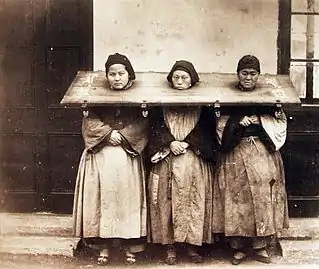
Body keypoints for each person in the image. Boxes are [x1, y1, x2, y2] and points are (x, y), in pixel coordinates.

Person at [72, 53, 148, 266]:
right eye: (112, 74)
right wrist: (108, 134)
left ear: (128, 75)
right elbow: (89, 122)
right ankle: (102, 246)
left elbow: (143, 125)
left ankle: (129, 246)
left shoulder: (139, 100)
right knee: (102, 200)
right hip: (101, 156)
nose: (116, 78)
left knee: (126, 201)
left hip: (127, 157)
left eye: (121, 73)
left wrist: (122, 136)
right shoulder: (95, 100)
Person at [214, 55, 289, 265]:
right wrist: (238, 121)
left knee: (262, 196)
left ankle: (260, 245)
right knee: (236, 197)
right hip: (236, 152)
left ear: (259, 75)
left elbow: (279, 120)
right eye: (244, 73)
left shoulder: (269, 98)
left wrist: (261, 120)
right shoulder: (227, 98)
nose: (248, 77)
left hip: (261, 152)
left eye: (253, 73)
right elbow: (219, 122)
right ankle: (238, 247)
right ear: (237, 74)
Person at [147, 60, 217, 265]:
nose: (179, 81)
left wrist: (187, 143)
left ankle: (192, 245)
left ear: (192, 81)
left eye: (184, 78)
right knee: (167, 202)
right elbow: (154, 128)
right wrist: (170, 143)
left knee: (192, 202)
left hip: (193, 160)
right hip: (167, 159)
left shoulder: (204, 108)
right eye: (176, 77)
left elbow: (207, 131)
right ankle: (170, 247)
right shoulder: (159, 106)